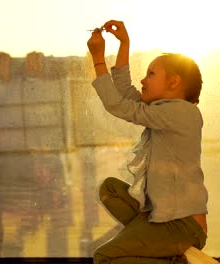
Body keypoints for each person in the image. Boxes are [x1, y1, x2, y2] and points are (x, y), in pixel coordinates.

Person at [86, 20, 208, 264]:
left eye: (151, 74)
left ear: (174, 82)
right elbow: (124, 91)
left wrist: (98, 59)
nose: (144, 80)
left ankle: (174, 258)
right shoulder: (164, 110)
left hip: (182, 224)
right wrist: (124, 43)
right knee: (110, 189)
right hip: (165, 216)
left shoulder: (181, 113)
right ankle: (158, 245)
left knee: (104, 257)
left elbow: (117, 105)